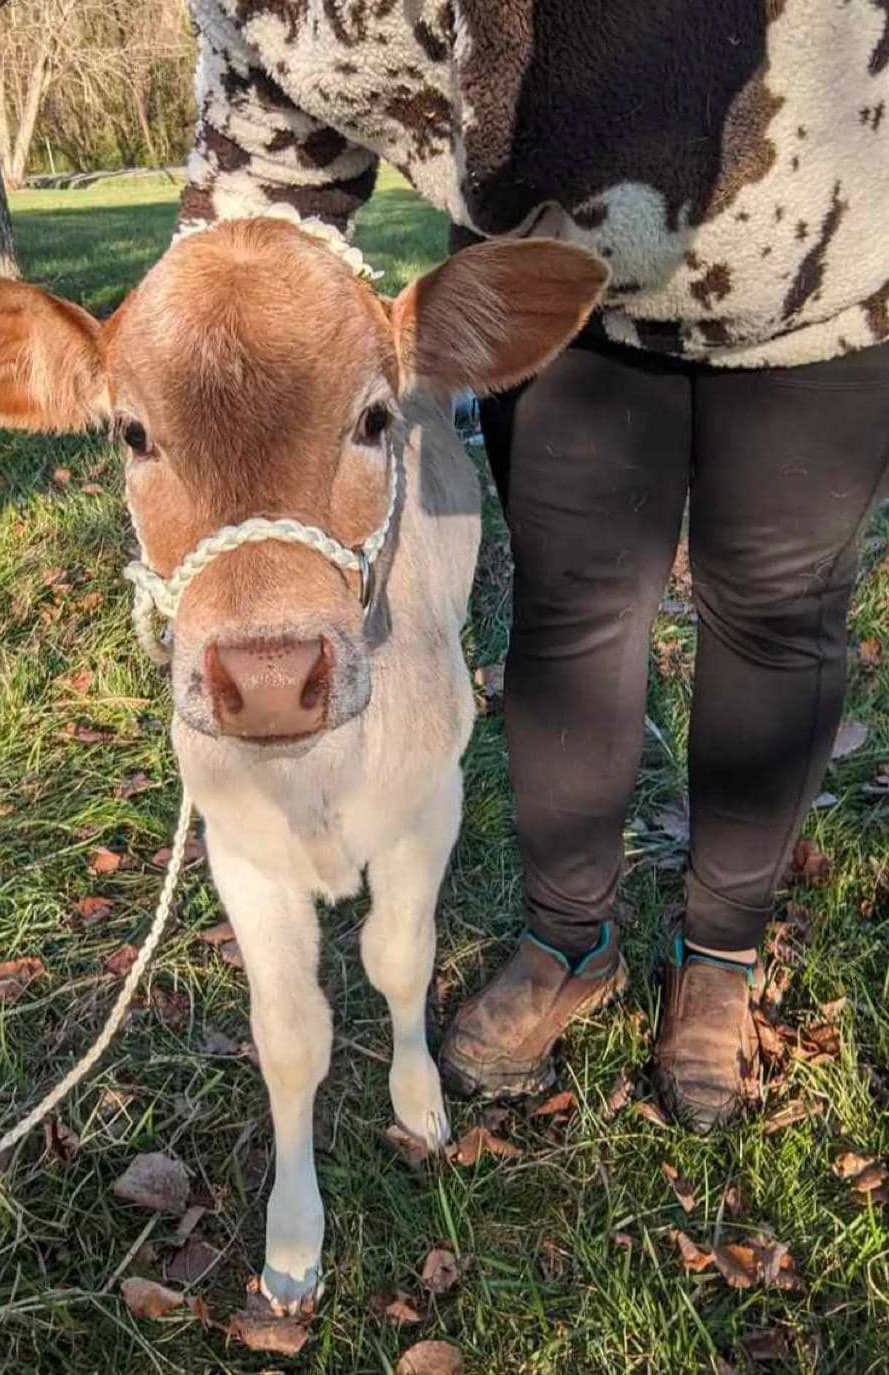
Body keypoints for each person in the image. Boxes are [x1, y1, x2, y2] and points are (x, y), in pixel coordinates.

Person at [177, 0, 889, 1130]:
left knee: (777, 612)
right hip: (551, 293)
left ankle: (720, 955)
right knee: (573, 612)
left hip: (825, 292)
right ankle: (572, 940)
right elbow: (266, 169)